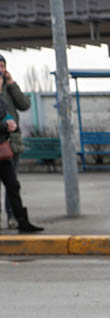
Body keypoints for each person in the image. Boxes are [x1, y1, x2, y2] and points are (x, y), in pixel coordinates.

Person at [0, 54, 33, 230]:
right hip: (2, 139)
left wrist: (11, 84)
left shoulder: (8, 88)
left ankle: (15, 216)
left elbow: (24, 104)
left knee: (12, 183)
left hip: (11, 143)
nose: (1, 69)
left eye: (3, 66)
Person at [0, 95, 42, 234]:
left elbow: (8, 116)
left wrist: (12, 126)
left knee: (13, 185)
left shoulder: (2, 99)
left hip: (2, 151)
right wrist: (5, 126)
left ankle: (22, 221)